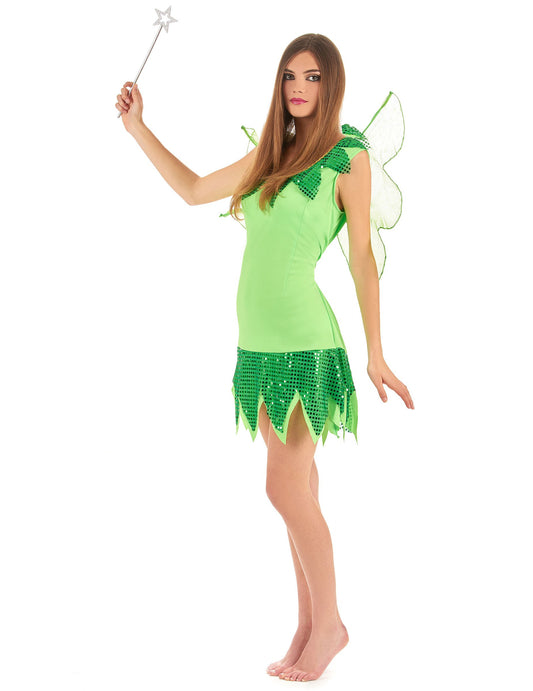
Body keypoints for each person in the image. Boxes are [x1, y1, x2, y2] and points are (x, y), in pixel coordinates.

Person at [115, 33, 414, 683]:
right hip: (256, 347)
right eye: (289, 76)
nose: (298, 88)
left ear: (331, 84)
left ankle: (331, 625)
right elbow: (194, 188)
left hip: (307, 345)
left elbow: (362, 258)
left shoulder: (347, 157)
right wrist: (139, 128)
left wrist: (377, 352)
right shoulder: (270, 154)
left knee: (281, 487)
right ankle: (308, 623)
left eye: (311, 77)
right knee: (298, 487)